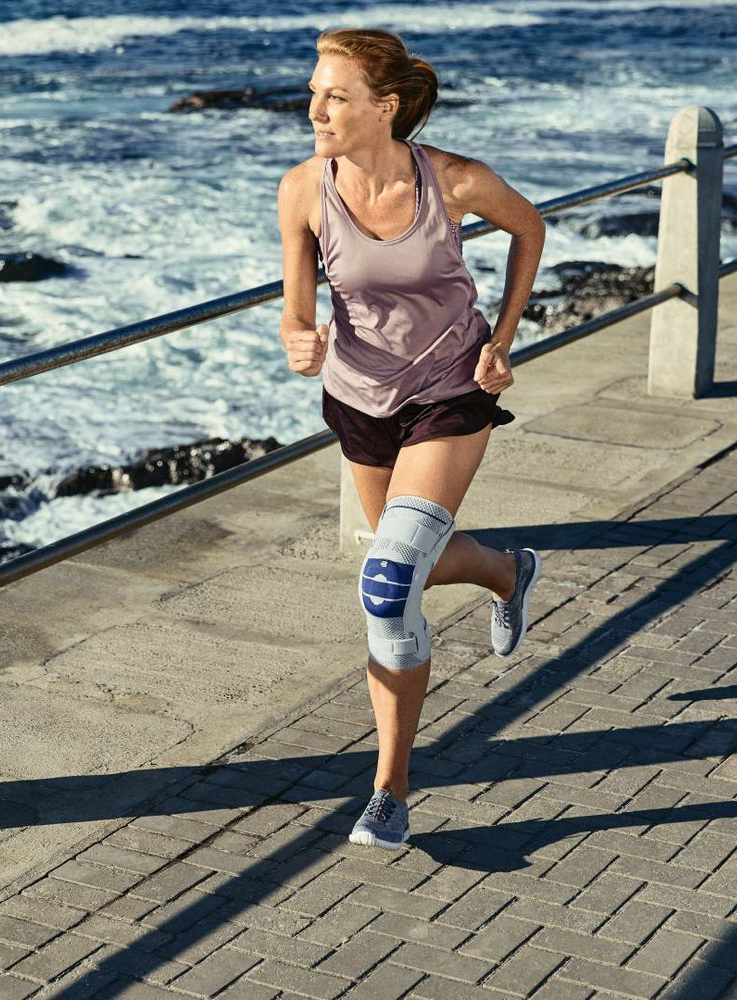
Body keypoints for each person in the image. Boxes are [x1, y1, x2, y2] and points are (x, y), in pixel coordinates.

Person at [276, 28, 546, 851]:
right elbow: (296, 305)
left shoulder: (455, 181)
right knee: (406, 565)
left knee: (389, 586)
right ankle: (506, 570)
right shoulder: (302, 190)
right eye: (315, 92)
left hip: (449, 392)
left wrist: (501, 340)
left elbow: (530, 230)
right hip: (359, 402)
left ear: (384, 108)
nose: (315, 108)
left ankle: (389, 790)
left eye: (335, 96)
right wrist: (298, 336)